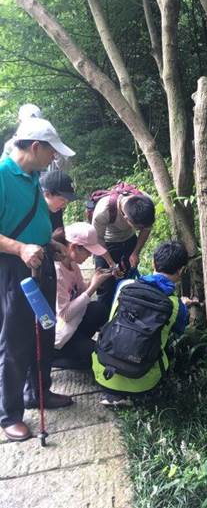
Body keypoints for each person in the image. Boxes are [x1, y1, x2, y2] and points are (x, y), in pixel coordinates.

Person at [0, 116, 75, 442]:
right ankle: (9, 414)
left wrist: (50, 244)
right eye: (51, 150)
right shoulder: (2, 175)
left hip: (40, 261)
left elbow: (36, 221)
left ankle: (39, 392)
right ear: (34, 147)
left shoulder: (33, 177)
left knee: (45, 329)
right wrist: (20, 248)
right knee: (16, 338)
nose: (54, 157)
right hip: (13, 268)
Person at [92, 240, 194, 406]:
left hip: (102, 371)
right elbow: (179, 330)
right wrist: (183, 305)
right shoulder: (175, 305)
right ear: (181, 270)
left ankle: (114, 392)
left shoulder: (124, 285)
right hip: (142, 382)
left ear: (153, 262)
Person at [53, 223, 111, 370]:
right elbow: (65, 315)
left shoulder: (73, 265)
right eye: (88, 251)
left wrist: (94, 280)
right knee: (96, 358)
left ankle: (81, 343)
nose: (90, 255)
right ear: (73, 247)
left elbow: (80, 292)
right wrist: (93, 287)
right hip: (60, 335)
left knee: (99, 309)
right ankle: (56, 357)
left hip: (74, 324)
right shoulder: (57, 272)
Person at [92, 190, 155, 308]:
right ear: (126, 218)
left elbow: (146, 229)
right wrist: (111, 264)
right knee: (105, 285)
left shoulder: (146, 203)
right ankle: (104, 315)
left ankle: (124, 311)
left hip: (129, 240)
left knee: (127, 278)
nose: (140, 229)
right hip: (106, 243)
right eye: (138, 227)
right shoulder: (103, 211)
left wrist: (136, 252)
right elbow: (97, 239)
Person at [40, 170, 78, 236]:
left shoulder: (56, 210)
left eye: (67, 201)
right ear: (47, 194)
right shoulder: (29, 210)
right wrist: (52, 238)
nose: (64, 205)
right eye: (62, 199)